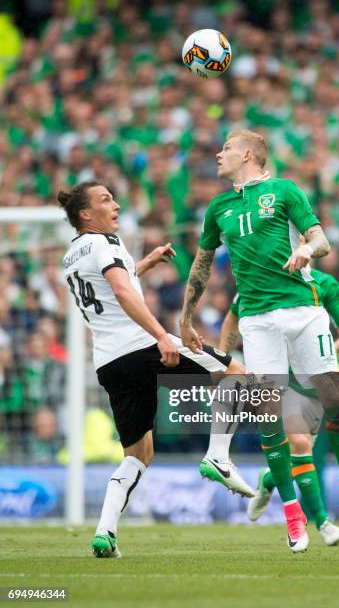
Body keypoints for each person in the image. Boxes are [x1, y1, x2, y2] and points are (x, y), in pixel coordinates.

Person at [180, 129, 339, 552]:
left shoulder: (284, 191)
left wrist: (308, 251)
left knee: (335, 402)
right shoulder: (218, 208)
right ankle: (292, 514)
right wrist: (186, 314)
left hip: (303, 313)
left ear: (248, 154)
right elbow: (202, 262)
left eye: (226, 148)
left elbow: (320, 237)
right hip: (258, 321)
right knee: (270, 419)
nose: (218, 153)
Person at [58, 181, 245, 558]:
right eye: (105, 200)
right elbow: (123, 292)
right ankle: (218, 456)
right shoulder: (105, 243)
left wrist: (143, 263)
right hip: (142, 347)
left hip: (110, 363)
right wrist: (161, 335)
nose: (116, 204)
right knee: (236, 373)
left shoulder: (72, 256)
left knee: (138, 454)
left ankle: (105, 532)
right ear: (85, 214)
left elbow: (113, 288)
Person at [213, 264, 339, 546]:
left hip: (319, 386)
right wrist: (224, 359)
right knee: (301, 445)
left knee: (299, 456)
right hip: (284, 384)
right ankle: (322, 523)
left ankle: (268, 481)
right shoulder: (258, 282)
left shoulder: (324, 283)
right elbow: (232, 318)